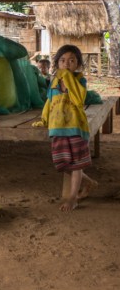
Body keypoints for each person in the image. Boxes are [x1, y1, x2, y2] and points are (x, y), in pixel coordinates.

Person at [37, 44, 96, 211]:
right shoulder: (54, 81)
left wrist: (68, 78)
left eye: (72, 60)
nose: (67, 63)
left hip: (76, 127)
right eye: (62, 60)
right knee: (63, 164)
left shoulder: (80, 80)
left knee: (77, 164)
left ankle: (72, 198)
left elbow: (78, 100)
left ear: (78, 64)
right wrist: (44, 118)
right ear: (57, 64)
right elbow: (50, 100)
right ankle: (89, 183)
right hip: (57, 128)